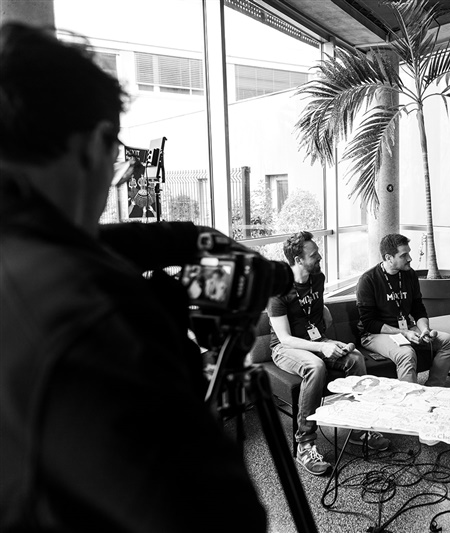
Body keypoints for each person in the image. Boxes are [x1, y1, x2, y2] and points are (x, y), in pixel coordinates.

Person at [0, 23, 266, 531]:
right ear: (94, 144)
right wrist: (173, 350)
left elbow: (97, 240)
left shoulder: (23, 249)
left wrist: (195, 238)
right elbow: (220, 518)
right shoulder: (94, 310)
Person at [268, 231, 390, 476]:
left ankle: (357, 429)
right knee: (315, 366)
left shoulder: (317, 278)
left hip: (317, 340)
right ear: (298, 260)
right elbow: (285, 338)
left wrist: (326, 330)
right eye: (314, 255)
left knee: (355, 359)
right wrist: (323, 347)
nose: (320, 257)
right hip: (286, 348)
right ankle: (305, 444)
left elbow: (313, 307)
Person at [356, 234, 450, 387]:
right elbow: (369, 323)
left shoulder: (409, 275)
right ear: (389, 258)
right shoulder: (368, 280)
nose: (410, 258)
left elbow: (418, 308)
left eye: (409, 253)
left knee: (449, 341)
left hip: (407, 328)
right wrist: (404, 333)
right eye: (404, 255)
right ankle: (410, 398)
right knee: (406, 353)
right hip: (375, 334)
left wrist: (424, 330)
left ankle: (433, 389)